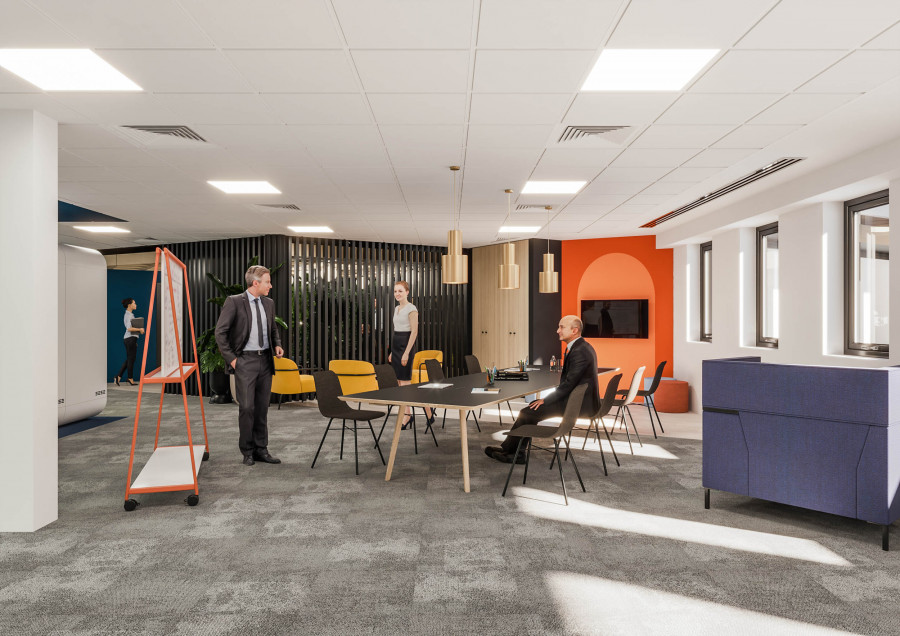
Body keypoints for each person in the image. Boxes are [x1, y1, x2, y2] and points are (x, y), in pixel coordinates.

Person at [485, 315, 600, 464]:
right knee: (529, 411)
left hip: (578, 405)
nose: (557, 330)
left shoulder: (579, 352)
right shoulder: (582, 347)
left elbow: (568, 385)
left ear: (575, 330)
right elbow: (569, 383)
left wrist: (545, 400)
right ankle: (511, 450)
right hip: (577, 400)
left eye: (561, 327)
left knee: (528, 412)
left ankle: (516, 453)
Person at [215, 265, 284, 466]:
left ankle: (262, 450)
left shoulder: (269, 303)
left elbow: (272, 329)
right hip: (245, 361)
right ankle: (247, 451)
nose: (270, 286)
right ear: (256, 283)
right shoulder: (234, 302)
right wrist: (233, 360)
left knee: (262, 408)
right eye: (267, 282)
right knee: (247, 408)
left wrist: (277, 345)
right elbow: (220, 332)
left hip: (265, 361)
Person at [388, 281, 434, 429]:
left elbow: (414, 332)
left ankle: (426, 409)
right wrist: (392, 351)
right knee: (400, 384)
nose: (397, 294)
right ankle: (408, 415)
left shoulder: (412, 309)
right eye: (395, 291)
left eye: (400, 291)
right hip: (396, 346)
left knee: (407, 385)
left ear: (407, 292)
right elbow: (397, 330)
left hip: (406, 346)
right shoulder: (396, 309)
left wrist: (406, 353)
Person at [114, 298, 144, 386]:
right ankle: (129, 378)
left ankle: (118, 377)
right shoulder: (129, 315)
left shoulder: (129, 314)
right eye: (134, 303)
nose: (136, 305)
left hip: (130, 339)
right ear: (129, 305)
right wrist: (140, 329)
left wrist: (135, 339)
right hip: (130, 339)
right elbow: (129, 328)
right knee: (131, 359)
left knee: (130, 359)